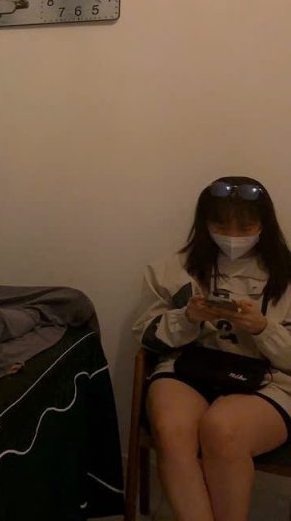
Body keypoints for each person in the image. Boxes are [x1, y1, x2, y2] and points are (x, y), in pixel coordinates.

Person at [133, 176, 291, 521]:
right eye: (221, 226)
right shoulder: (172, 270)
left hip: (270, 378)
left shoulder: (285, 274)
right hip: (190, 366)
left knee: (222, 429)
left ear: (264, 224)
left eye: (244, 227)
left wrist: (264, 329)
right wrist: (187, 318)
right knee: (172, 430)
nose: (233, 236)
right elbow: (146, 335)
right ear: (205, 224)